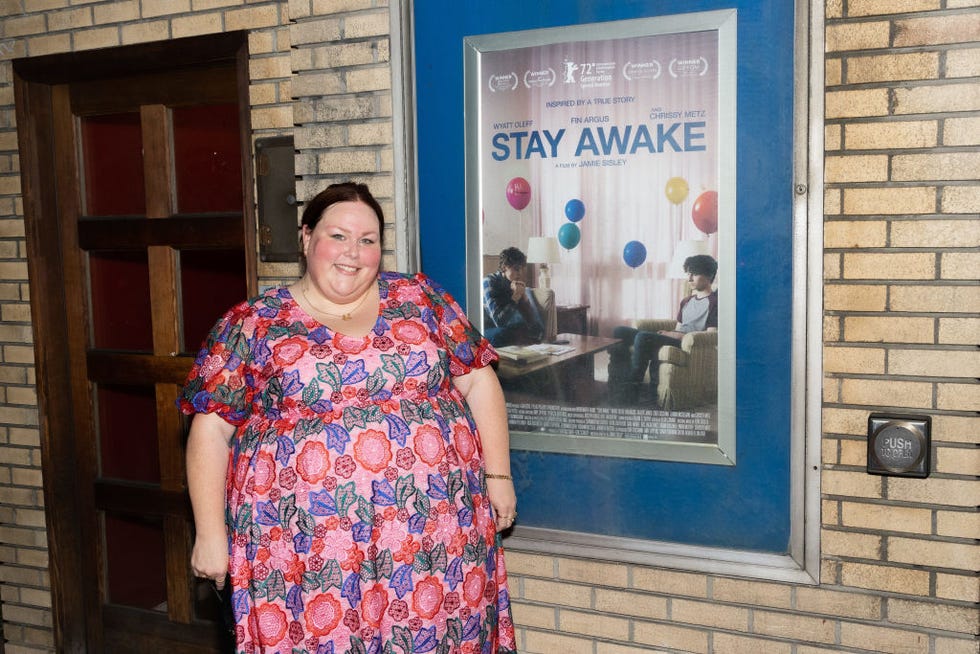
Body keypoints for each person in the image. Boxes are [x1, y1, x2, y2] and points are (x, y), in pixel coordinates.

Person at [180, 182, 518, 653]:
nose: (353, 253)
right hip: (307, 551)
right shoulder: (254, 323)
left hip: (436, 538)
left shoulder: (421, 299)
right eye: (337, 236)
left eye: (368, 240)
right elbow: (211, 429)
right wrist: (211, 535)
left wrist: (498, 475)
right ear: (306, 237)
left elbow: (480, 381)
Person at [609, 254, 718, 403]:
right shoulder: (686, 301)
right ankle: (616, 384)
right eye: (688, 273)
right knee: (620, 331)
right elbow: (679, 327)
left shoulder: (715, 302)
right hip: (675, 336)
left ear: (709, 275)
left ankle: (631, 392)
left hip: (687, 343)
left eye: (695, 273)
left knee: (642, 337)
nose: (690, 278)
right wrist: (670, 333)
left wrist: (674, 335)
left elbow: (710, 337)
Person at [481, 247, 545, 346]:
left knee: (533, 330)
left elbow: (536, 326)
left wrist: (524, 298)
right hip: (486, 329)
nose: (520, 273)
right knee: (504, 333)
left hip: (506, 328)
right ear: (504, 267)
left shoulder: (514, 284)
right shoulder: (489, 282)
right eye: (516, 269)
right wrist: (515, 297)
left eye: (521, 269)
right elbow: (499, 321)